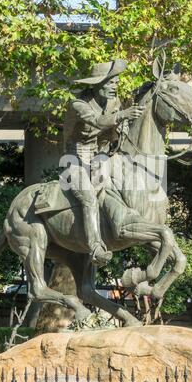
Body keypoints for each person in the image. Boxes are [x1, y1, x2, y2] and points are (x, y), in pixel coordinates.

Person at [61, 59, 145, 266]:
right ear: (96, 85)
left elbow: (109, 133)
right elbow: (97, 122)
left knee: (116, 185)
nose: (114, 86)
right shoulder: (78, 104)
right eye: (110, 82)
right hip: (74, 160)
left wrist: (121, 131)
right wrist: (123, 115)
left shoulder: (113, 103)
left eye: (116, 82)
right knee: (89, 198)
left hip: (98, 156)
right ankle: (95, 249)